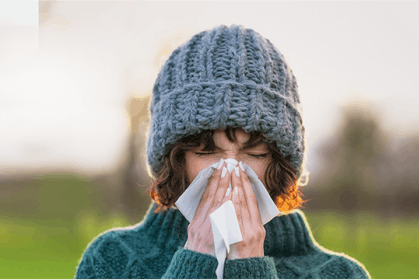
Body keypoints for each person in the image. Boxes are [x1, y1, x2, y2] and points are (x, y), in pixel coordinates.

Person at [74, 24, 371, 279]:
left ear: (280, 162)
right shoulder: (112, 261)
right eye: (207, 152)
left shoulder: (341, 274)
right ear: (175, 159)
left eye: (253, 154)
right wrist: (196, 259)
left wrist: (250, 267)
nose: (230, 171)